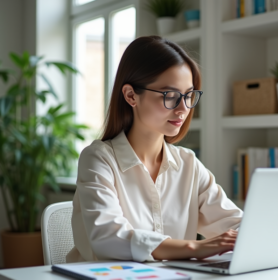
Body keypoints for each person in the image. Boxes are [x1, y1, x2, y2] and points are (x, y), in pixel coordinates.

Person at [66, 36, 243, 263]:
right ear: (131, 95)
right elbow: (109, 238)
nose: (183, 108)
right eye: (170, 96)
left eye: (189, 96)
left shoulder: (188, 164)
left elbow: (234, 223)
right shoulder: (98, 159)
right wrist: (195, 247)